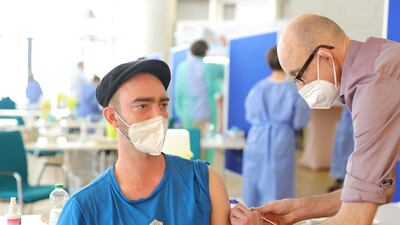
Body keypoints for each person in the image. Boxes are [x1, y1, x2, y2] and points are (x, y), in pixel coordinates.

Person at [231, 13, 400, 225]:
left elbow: (355, 218)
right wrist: (299, 210)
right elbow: (376, 189)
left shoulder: (375, 85)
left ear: (325, 58)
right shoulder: (375, 63)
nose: (300, 88)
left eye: (299, 76)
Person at [57, 59, 231, 225]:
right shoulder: (85, 209)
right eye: (142, 106)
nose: (158, 116)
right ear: (112, 117)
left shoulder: (203, 183)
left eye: (162, 105)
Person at [242, 46, 310, 207]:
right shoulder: (294, 90)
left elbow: (249, 115)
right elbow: (300, 121)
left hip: (256, 139)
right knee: (278, 186)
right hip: (282, 138)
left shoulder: (258, 88)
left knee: (253, 183)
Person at [174, 40, 211, 133]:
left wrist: (179, 112)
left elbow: (177, 92)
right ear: (206, 52)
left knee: (188, 144)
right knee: (203, 145)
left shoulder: (181, 67)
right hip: (203, 113)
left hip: (186, 114)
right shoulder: (208, 68)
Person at [327, 107, 354, 192]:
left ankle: (351, 183)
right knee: (342, 148)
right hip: (347, 118)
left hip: (362, 117)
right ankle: (339, 179)